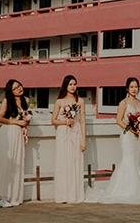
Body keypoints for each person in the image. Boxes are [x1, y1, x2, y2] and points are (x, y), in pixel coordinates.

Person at [87, 77, 140, 203]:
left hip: (139, 137)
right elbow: (118, 120)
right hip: (127, 136)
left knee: (138, 160)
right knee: (128, 160)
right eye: (132, 87)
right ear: (127, 88)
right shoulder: (123, 103)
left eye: (136, 87)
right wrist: (132, 129)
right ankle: (126, 190)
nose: (134, 89)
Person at [0, 79, 32, 207]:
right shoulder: (6, 101)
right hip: (8, 133)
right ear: (10, 91)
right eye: (15, 88)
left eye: (19, 86)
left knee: (18, 163)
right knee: (5, 163)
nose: (19, 89)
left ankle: (15, 195)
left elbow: (25, 118)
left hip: (19, 134)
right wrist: (16, 122)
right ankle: (1, 196)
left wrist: (26, 121)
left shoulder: (26, 100)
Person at [51, 75, 86, 204]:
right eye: (70, 84)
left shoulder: (80, 101)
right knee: (63, 162)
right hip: (63, 133)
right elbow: (53, 120)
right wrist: (65, 122)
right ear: (65, 85)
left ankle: (74, 194)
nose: (72, 87)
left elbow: (82, 121)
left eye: (74, 84)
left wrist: (84, 140)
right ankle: (63, 194)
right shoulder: (59, 101)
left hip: (75, 133)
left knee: (75, 161)